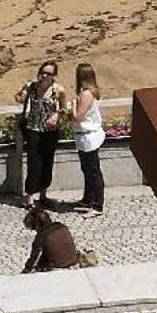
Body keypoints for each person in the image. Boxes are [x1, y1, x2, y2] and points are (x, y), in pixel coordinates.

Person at [17, 60, 66, 203]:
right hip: (33, 128)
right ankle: (30, 195)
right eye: (43, 72)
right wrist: (22, 95)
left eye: (48, 73)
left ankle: (44, 193)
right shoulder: (31, 86)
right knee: (34, 162)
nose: (45, 75)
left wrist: (57, 115)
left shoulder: (58, 90)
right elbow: (19, 98)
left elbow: (63, 108)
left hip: (50, 130)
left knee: (47, 161)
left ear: (54, 75)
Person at [70, 63, 105, 214]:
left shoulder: (86, 94)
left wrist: (72, 105)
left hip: (88, 136)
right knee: (87, 169)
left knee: (93, 171)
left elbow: (78, 116)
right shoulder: (92, 92)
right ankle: (88, 198)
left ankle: (97, 204)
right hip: (86, 136)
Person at [23, 204, 83, 272]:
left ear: (37, 225)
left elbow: (34, 258)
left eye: (33, 228)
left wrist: (25, 271)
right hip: (75, 262)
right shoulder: (61, 226)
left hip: (59, 268)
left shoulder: (41, 236)